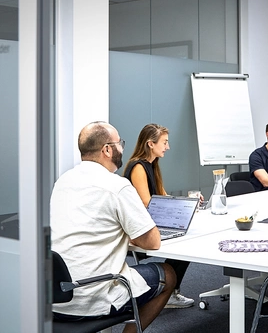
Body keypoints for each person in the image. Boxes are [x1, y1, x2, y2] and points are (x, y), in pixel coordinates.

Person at [51, 121, 176, 331]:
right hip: (92, 298)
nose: (121, 149)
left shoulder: (63, 181)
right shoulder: (116, 185)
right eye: (120, 143)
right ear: (107, 149)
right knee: (169, 274)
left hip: (54, 296)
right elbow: (152, 242)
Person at [123, 123, 195, 309]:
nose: (167, 147)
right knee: (184, 246)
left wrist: (186, 201)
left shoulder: (152, 166)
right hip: (139, 230)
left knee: (186, 242)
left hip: (151, 223)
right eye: (164, 142)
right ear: (150, 144)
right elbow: (149, 204)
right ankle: (169, 292)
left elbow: (164, 198)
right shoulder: (138, 166)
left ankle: (172, 291)